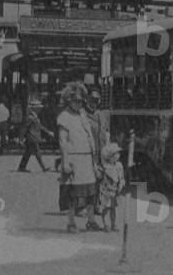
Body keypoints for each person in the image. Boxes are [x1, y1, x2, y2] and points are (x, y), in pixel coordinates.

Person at [57, 83, 98, 233]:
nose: (78, 103)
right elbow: (63, 141)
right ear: (69, 100)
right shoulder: (64, 117)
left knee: (90, 193)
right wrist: (65, 162)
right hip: (73, 159)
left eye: (80, 101)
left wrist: (94, 161)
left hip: (86, 159)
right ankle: (71, 222)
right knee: (72, 194)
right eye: (75, 101)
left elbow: (89, 136)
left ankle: (91, 221)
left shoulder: (83, 115)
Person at [85, 88, 110, 230]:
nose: (95, 103)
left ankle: (95, 205)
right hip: (88, 153)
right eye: (92, 100)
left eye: (97, 100)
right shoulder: (83, 115)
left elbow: (106, 132)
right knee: (89, 180)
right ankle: (88, 206)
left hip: (101, 152)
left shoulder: (101, 115)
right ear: (88, 100)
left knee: (99, 180)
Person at [97, 142, 126, 232]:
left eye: (118, 153)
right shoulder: (104, 167)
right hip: (106, 190)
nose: (118, 155)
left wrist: (121, 184)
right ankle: (106, 224)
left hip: (115, 191)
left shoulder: (119, 166)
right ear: (110, 156)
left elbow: (121, 177)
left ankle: (113, 224)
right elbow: (99, 177)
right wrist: (98, 171)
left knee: (113, 209)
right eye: (116, 154)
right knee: (106, 208)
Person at [17, 104, 53, 173]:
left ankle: (21, 167)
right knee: (37, 152)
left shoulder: (34, 116)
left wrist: (48, 132)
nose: (39, 109)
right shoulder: (30, 117)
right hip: (31, 137)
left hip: (32, 137)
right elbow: (24, 128)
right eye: (38, 108)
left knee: (27, 153)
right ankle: (43, 168)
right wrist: (21, 139)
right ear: (34, 109)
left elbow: (40, 126)